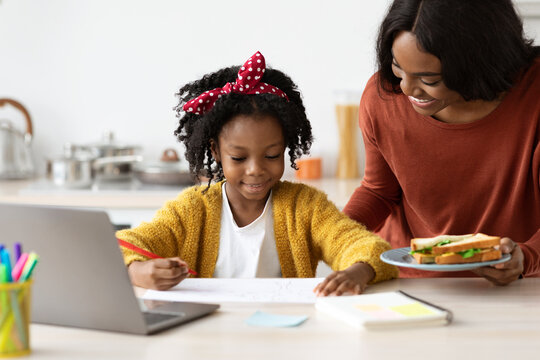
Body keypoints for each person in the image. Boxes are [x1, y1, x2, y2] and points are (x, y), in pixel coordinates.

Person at [117, 51, 397, 294]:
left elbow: (363, 245)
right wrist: (137, 272)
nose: (256, 170)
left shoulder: (306, 207)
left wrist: (357, 272)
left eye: (272, 155)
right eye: (239, 157)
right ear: (215, 151)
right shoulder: (191, 210)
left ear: (286, 147)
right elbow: (121, 246)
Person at [343, 0, 540, 285]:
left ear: (479, 60)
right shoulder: (382, 97)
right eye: (399, 69)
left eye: (429, 79)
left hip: (523, 285)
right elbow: (378, 192)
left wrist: (526, 257)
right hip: (409, 280)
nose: (407, 89)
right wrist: (333, 232)